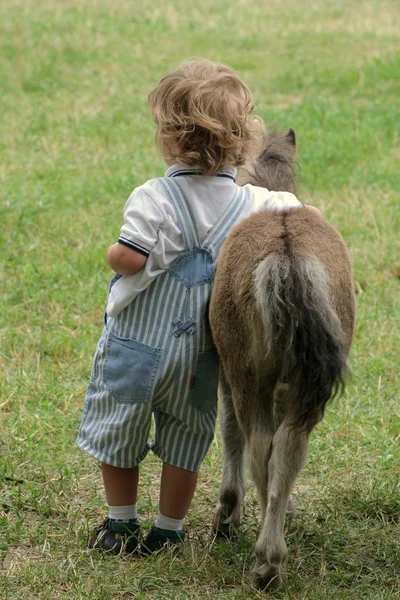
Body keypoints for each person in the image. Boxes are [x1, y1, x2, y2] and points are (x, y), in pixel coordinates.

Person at [76, 58, 303, 555]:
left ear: (170, 139)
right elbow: (302, 216)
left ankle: (120, 523)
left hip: (135, 346)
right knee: (184, 441)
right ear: (243, 143)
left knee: (119, 427)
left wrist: (114, 255)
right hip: (198, 358)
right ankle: (169, 529)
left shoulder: (152, 197)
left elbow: (131, 257)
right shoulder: (253, 201)